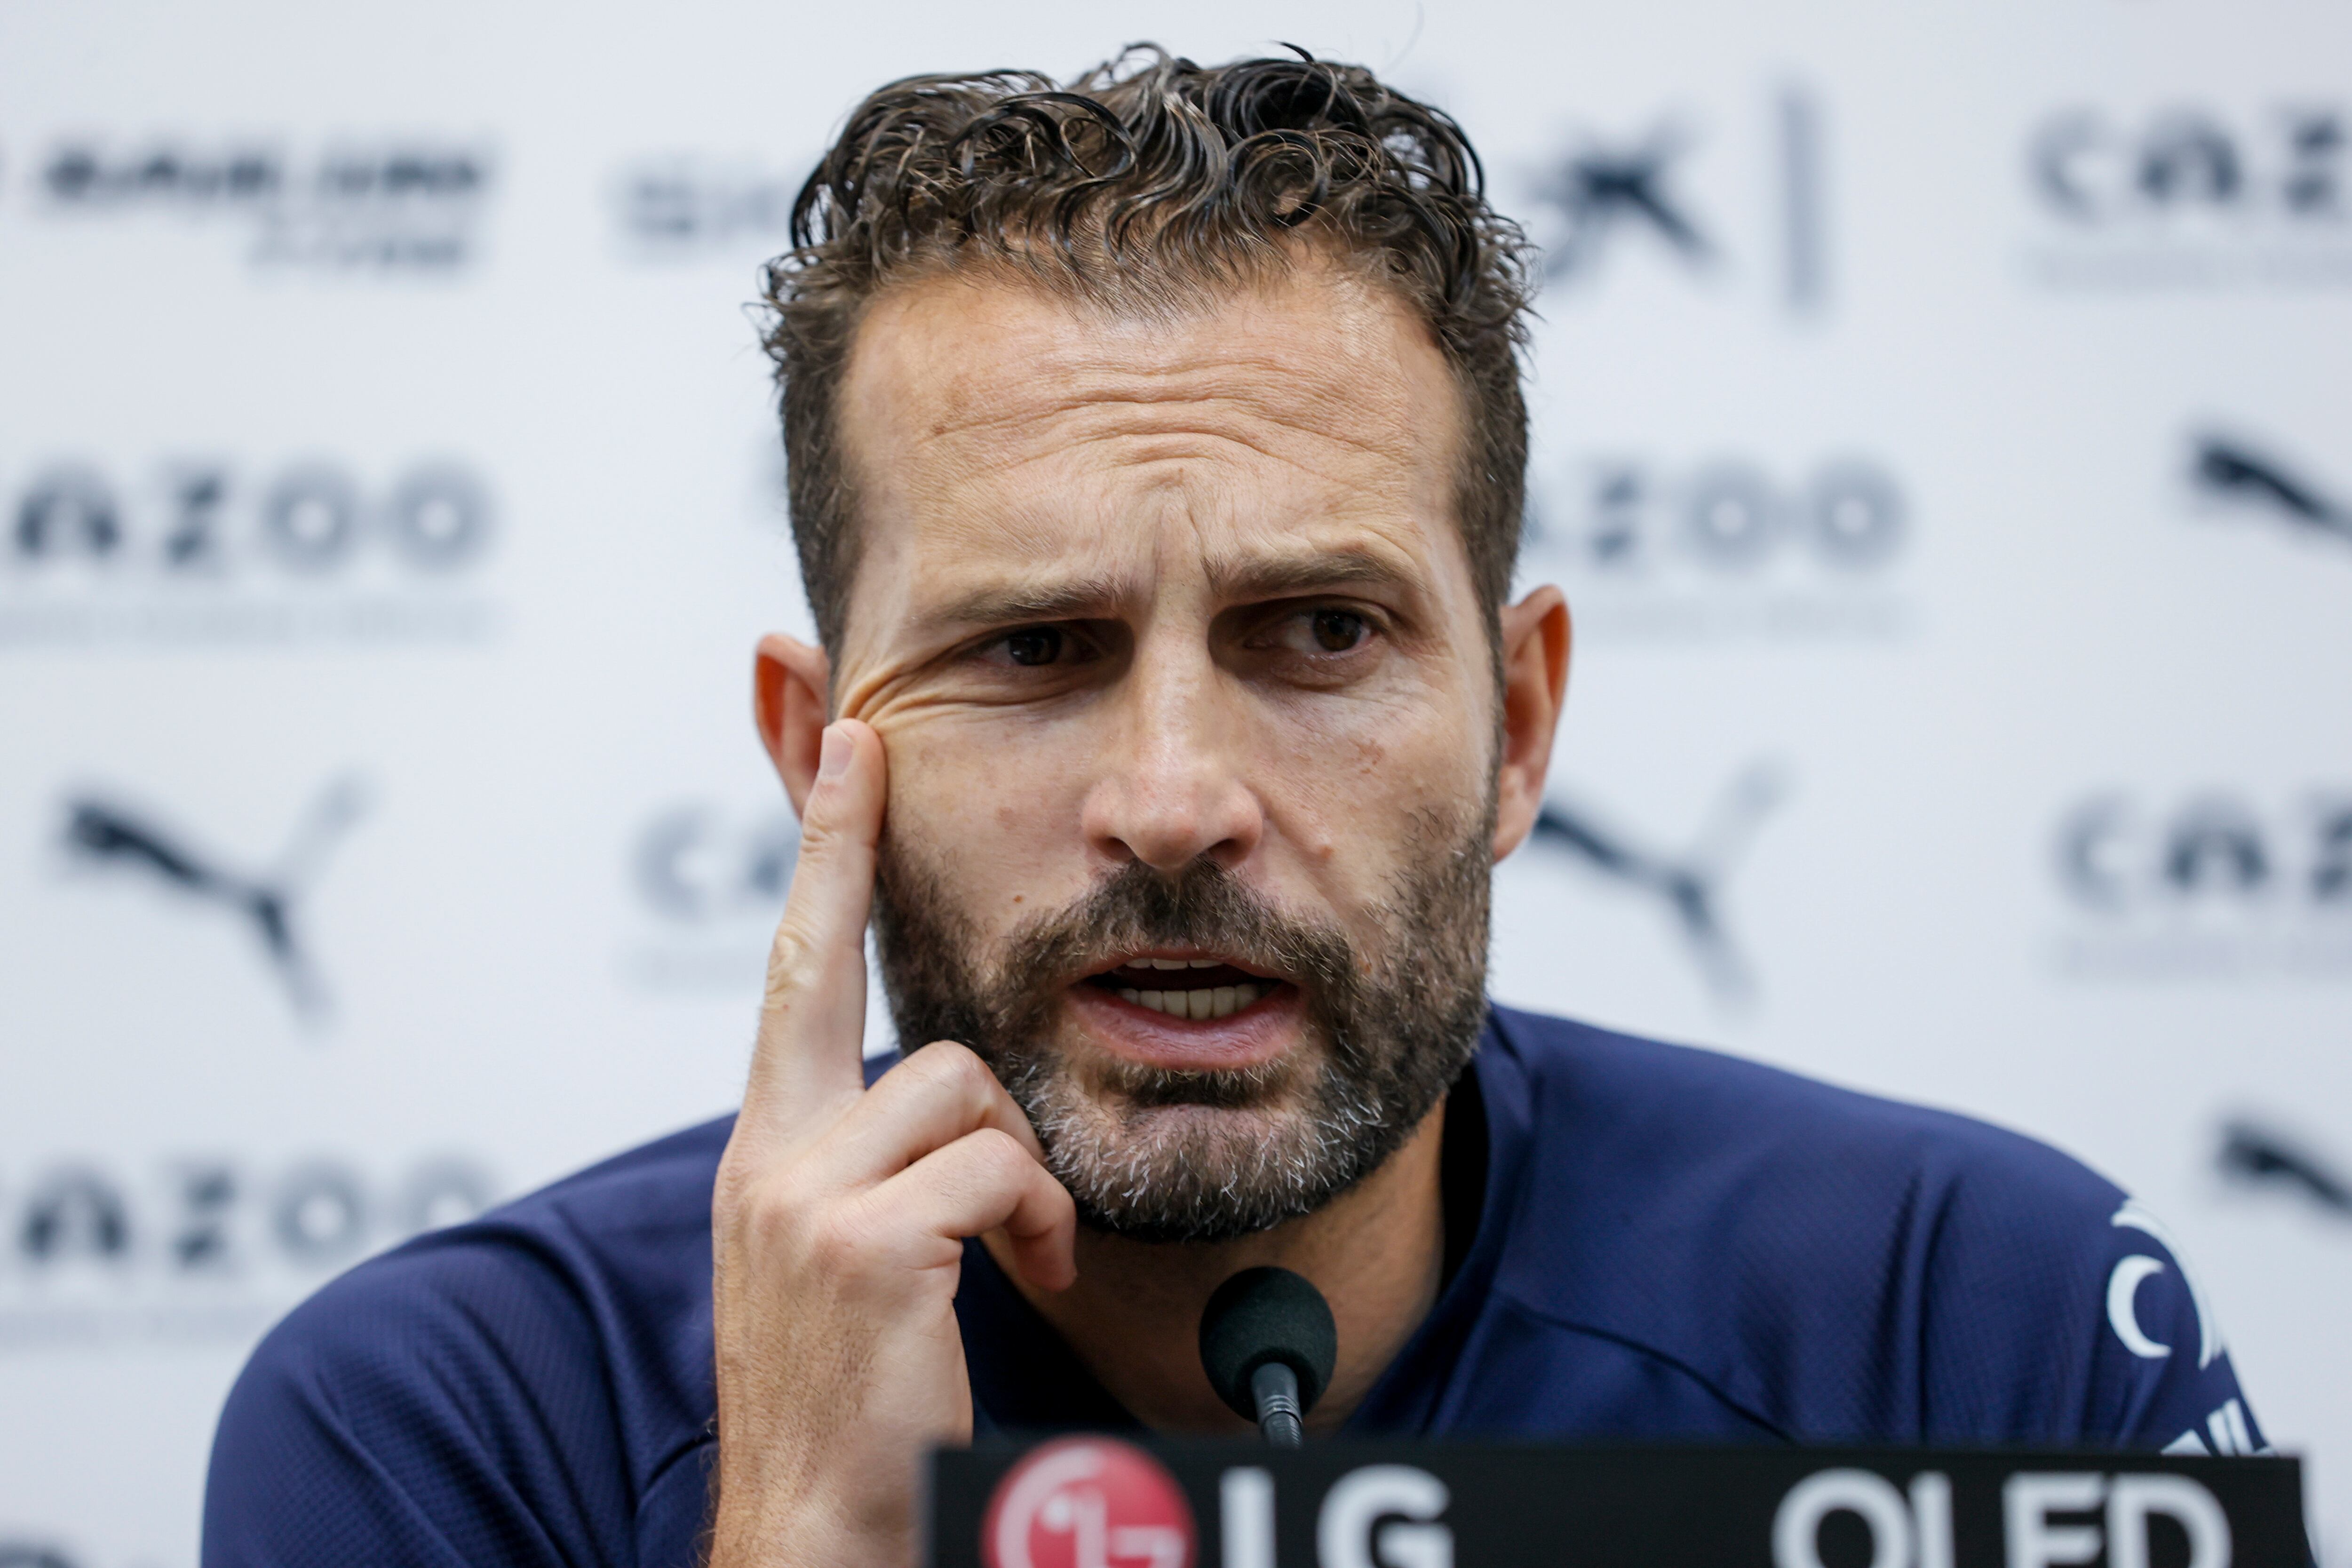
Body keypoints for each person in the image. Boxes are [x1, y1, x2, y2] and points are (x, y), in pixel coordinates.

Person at [201, 47, 2266, 1568]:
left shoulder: (1971, 1319)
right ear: (814, 759)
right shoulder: (445, 1429)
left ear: (1521, 724)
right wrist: (808, 1535)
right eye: (1031, 652)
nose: (1174, 802)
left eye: (1316, 633)